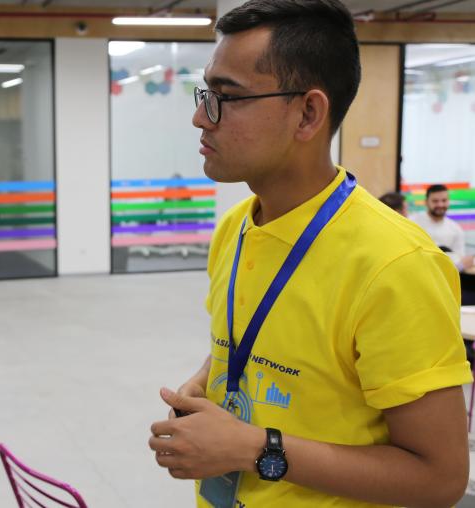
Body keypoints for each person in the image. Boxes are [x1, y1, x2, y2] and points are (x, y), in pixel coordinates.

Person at [147, 2, 471, 507]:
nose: (200, 117)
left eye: (227, 97)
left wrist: (255, 449)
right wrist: (206, 380)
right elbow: (249, 342)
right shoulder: (237, 228)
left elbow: (440, 479)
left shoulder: (395, 264)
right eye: (206, 93)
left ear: (308, 114)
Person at [410, 183, 474, 270]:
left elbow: (459, 261)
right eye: (435, 201)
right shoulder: (412, 223)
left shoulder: (456, 229)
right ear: (426, 202)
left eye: (444, 200)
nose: (440, 205)